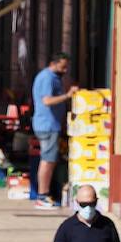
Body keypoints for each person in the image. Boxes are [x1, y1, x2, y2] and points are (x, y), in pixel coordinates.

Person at [31, 52, 79, 209]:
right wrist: (67, 95)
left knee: (49, 160)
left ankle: (44, 194)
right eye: (63, 66)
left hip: (51, 124)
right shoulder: (47, 78)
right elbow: (47, 100)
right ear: (54, 63)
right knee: (48, 160)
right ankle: (42, 196)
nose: (65, 70)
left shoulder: (53, 78)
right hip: (47, 125)